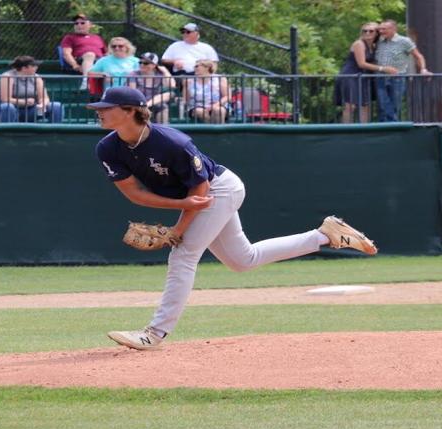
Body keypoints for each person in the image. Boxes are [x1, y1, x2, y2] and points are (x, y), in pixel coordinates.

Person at [87, 86, 377, 350]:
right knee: (242, 260)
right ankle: (326, 235)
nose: (98, 111)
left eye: (106, 107)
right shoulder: (107, 148)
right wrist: (180, 206)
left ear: (131, 111)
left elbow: (201, 192)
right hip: (196, 196)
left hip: (220, 188)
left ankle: (155, 333)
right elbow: (134, 193)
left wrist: (179, 230)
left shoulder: (172, 142)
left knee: (183, 255)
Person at [373, 18, 429, 122]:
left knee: (394, 105)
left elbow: (418, 56)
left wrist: (423, 69)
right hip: (380, 77)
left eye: (384, 29)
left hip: (397, 78)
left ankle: (391, 127)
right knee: (382, 105)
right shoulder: (379, 41)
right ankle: (385, 127)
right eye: (380, 29)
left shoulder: (404, 41)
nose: (381, 31)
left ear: (394, 29)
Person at [0, 55, 62, 123]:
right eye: (33, 65)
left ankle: (55, 134)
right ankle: (7, 134)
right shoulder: (7, 76)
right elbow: (5, 99)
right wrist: (24, 102)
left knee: (56, 106)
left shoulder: (37, 77)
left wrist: (43, 103)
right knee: (8, 107)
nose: (36, 67)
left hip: (29, 110)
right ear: (24, 68)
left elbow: (44, 98)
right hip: (1, 109)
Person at [335, 22, 382, 124]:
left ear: (377, 33)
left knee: (365, 105)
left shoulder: (374, 46)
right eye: (365, 30)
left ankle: (364, 130)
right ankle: (347, 131)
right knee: (350, 106)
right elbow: (362, 64)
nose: (367, 33)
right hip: (350, 76)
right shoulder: (359, 44)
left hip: (363, 77)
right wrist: (383, 68)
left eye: (371, 31)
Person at [59, 13, 106, 85]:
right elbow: (66, 53)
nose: (79, 25)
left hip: (99, 61)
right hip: (81, 60)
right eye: (76, 23)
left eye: (82, 23)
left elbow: (106, 53)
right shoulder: (69, 37)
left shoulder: (97, 37)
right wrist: (75, 65)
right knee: (90, 55)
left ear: (90, 25)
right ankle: (86, 82)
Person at [131, 52, 175, 123]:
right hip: (139, 102)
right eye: (140, 62)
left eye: (146, 63)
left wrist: (166, 71)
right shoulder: (134, 74)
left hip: (154, 102)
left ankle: (162, 131)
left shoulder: (159, 74)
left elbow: (172, 85)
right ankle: (145, 107)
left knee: (169, 94)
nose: (142, 65)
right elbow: (133, 92)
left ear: (154, 65)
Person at [184, 59, 228, 123]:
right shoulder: (189, 81)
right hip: (197, 106)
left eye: (197, 66)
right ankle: (212, 130)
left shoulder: (220, 79)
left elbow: (226, 96)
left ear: (207, 67)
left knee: (219, 110)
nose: (194, 68)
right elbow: (186, 100)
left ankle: (218, 131)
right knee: (200, 112)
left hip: (217, 104)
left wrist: (215, 105)